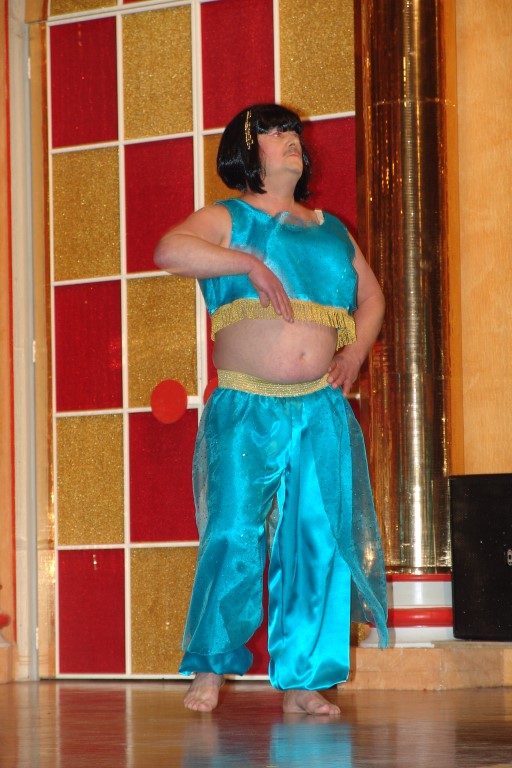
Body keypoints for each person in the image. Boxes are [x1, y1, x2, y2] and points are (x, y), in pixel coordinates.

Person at [154, 103, 388, 716]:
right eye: (274, 132)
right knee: (233, 531)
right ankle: (210, 666)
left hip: (319, 408)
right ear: (246, 151)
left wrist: (354, 353)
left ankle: (305, 680)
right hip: (246, 406)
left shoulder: (332, 230)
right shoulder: (228, 218)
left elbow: (372, 298)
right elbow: (169, 250)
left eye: (293, 132)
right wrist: (248, 263)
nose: (290, 140)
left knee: (315, 540)